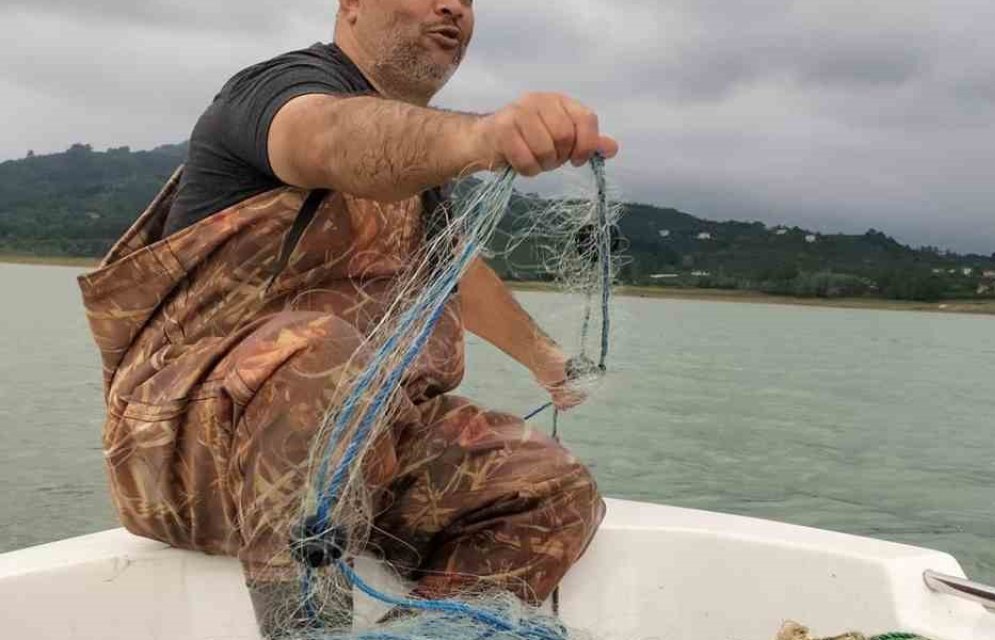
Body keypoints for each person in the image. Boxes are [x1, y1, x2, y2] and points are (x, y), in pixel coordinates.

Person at [76, 0, 619, 636]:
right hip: (190, 453)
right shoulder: (273, 93)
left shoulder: (421, 176)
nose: (455, 8)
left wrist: (546, 359)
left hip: (360, 456)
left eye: (470, 0)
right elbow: (329, 139)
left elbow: (451, 268)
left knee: (548, 486)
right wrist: (480, 137)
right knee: (317, 353)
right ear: (351, 6)